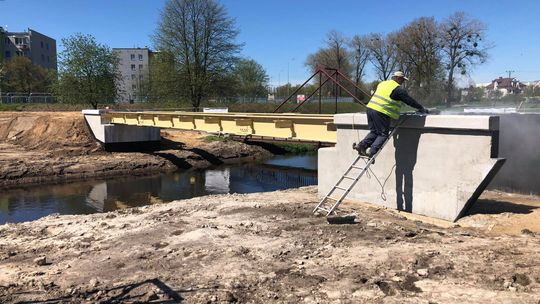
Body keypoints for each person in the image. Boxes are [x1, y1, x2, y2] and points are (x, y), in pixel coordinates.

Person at [354, 71, 428, 158]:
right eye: (402, 80)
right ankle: (372, 151)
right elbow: (409, 101)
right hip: (381, 112)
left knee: (374, 132)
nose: (403, 82)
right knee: (383, 134)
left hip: (370, 108)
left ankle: (361, 146)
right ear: (398, 78)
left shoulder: (382, 84)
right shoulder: (397, 89)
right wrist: (421, 108)